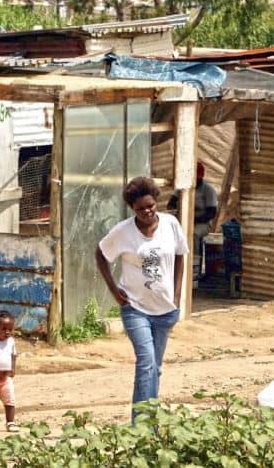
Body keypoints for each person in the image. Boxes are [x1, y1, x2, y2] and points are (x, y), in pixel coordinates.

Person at [95, 177, 188, 422]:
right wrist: (114, 290)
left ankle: (146, 422)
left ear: (156, 202)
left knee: (154, 368)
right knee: (146, 363)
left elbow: (180, 256)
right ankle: (143, 428)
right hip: (135, 309)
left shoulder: (171, 224)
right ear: (132, 209)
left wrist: (177, 296)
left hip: (166, 310)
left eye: (150, 206)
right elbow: (101, 253)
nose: (147, 212)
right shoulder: (123, 231)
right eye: (140, 209)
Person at [168, 162, 217, 279]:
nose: (195, 180)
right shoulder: (183, 188)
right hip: (183, 221)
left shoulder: (208, 190)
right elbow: (170, 204)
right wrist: (176, 211)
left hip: (202, 223)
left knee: (193, 234)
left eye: (197, 178)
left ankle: (193, 264)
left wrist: (192, 219)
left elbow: (211, 213)